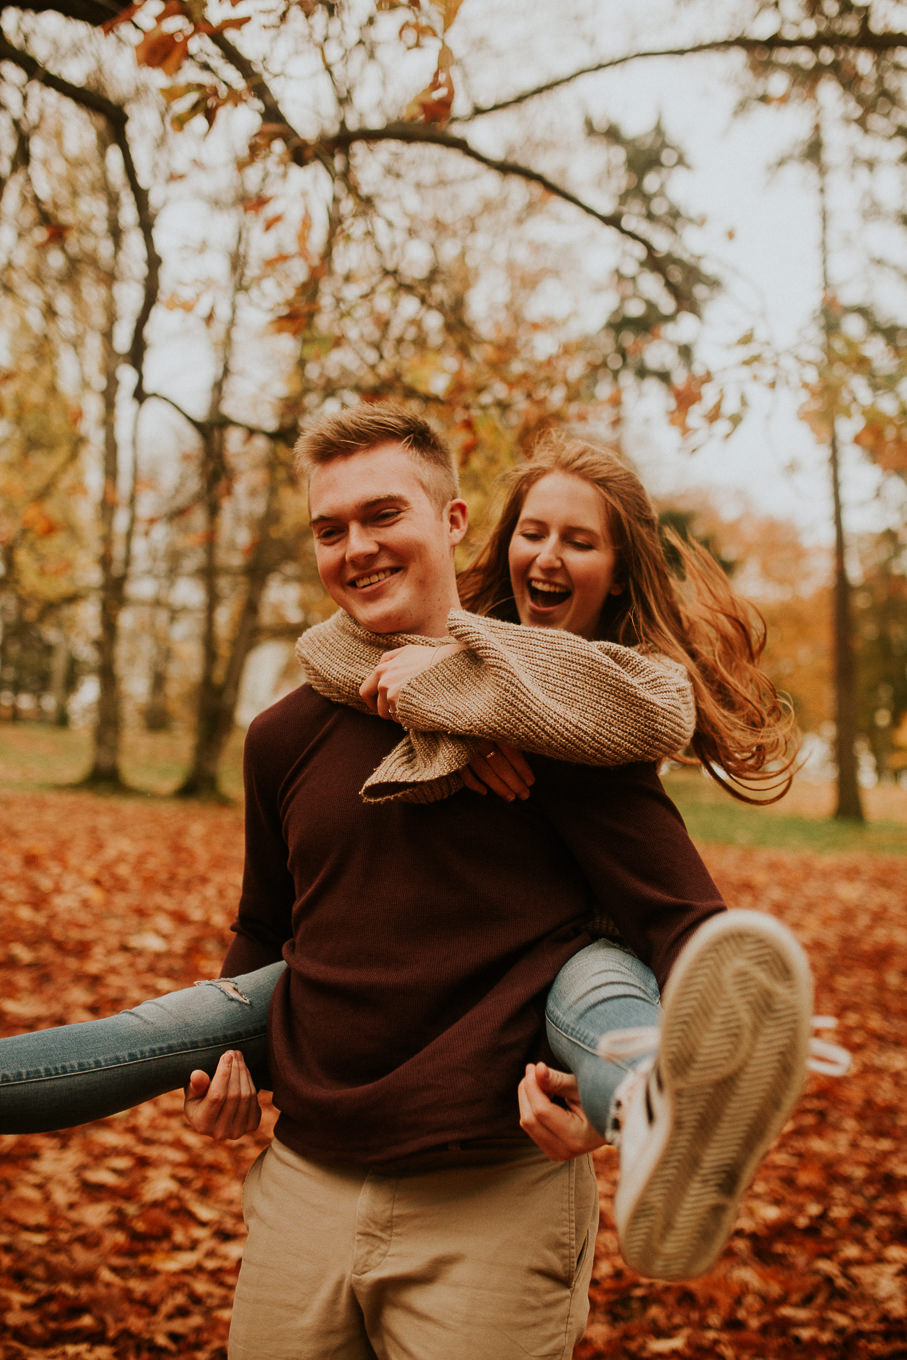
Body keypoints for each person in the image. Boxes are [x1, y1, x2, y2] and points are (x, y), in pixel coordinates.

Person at [0, 414, 844, 1301]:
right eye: (330, 530)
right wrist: (228, 1084)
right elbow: (263, 921)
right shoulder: (283, 732)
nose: (356, 549)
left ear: (451, 521)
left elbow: (668, 902)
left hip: (489, 1189)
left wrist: (660, 1061)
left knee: (597, 988)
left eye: (381, 517)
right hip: (310, 1175)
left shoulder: (563, 722)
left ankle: (652, 1114)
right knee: (138, 1042)